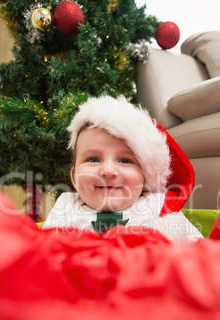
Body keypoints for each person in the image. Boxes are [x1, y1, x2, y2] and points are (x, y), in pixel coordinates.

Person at [43, 95, 203, 240]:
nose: (108, 171)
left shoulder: (157, 205)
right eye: (93, 159)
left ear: (145, 175)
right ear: (74, 178)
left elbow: (197, 252)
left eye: (125, 160)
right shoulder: (66, 207)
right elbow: (44, 254)